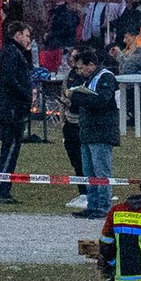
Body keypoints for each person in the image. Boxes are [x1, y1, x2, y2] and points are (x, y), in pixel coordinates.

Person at [68, 45, 119, 220]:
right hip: (88, 133)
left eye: (82, 67)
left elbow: (101, 100)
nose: (80, 71)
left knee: (101, 173)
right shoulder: (87, 80)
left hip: (101, 132)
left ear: (91, 64)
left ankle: (103, 207)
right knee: (89, 173)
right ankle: (92, 205)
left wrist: (77, 97)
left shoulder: (105, 77)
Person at [0, 20, 32, 204]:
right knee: (10, 150)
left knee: (11, 149)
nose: (28, 39)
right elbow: (9, 80)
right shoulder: (11, 53)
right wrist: (25, 94)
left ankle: (2, 189)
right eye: (27, 35)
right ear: (18, 35)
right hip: (12, 109)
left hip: (11, 107)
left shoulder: (13, 52)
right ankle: (0, 190)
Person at [60, 47, 88, 210]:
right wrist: (63, 119)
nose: (71, 59)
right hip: (69, 121)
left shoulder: (88, 77)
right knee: (75, 159)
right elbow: (63, 95)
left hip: (82, 122)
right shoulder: (69, 76)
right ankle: (82, 192)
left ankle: (91, 191)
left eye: (74, 57)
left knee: (85, 159)